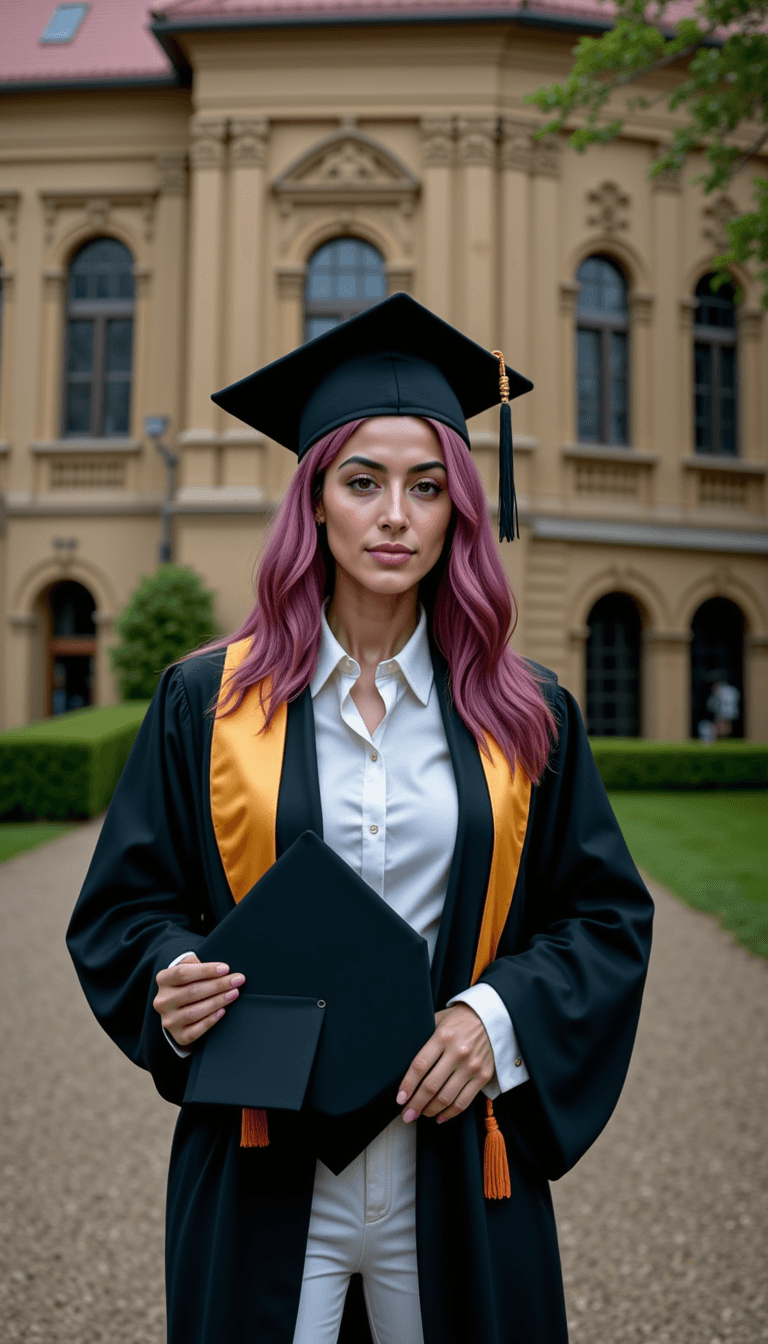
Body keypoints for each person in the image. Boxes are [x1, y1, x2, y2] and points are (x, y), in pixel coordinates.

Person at [67, 294, 653, 1344]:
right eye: (364, 482)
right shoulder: (208, 704)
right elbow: (126, 909)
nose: (395, 516)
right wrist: (173, 973)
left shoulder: (527, 714)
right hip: (263, 1157)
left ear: (459, 510)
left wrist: (496, 1019)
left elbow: (603, 918)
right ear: (317, 502)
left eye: (427, 487)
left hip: (460, 1162)